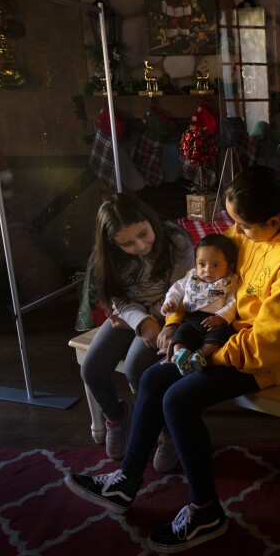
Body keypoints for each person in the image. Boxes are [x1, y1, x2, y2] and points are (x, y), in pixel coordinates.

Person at [64, 165, 280, 553]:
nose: (236, 233)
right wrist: (176, 326)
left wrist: (204, 357)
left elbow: (269, 346)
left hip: (266, 358)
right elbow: (199, 283)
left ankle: (205, 510)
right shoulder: (253, 233)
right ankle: (127, 482)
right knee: (152, 378)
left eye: (241, 225)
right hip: (223, 336)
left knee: (178, 398)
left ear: (273, 221)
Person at [79, 193, 194, 463]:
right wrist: (140, 322)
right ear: (113, 243)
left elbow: (181, 291)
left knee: (136, 369)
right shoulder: (107, 255)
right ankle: (116, 417)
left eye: (143, 234)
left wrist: (152, 320)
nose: (140, 246)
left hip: (169, 314)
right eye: (128, 243)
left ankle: (166, 430)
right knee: (92, 369)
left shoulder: (176, 240)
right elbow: (116, 298)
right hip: (131, 316)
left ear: (150, 219)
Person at [161, 233, 239, 376]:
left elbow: (233, 302)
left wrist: (221, 317)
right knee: (181, 334)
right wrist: (170, 302)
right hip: (192, 319)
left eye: (215, 265)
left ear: (230, 266)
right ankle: (180, 355)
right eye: (202, 264)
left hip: (215, 321)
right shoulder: (193, 276)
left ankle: (200, 355)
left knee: (222, 335)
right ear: (196, 263)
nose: (207, 270)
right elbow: (176, 289)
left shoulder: (229, 281)